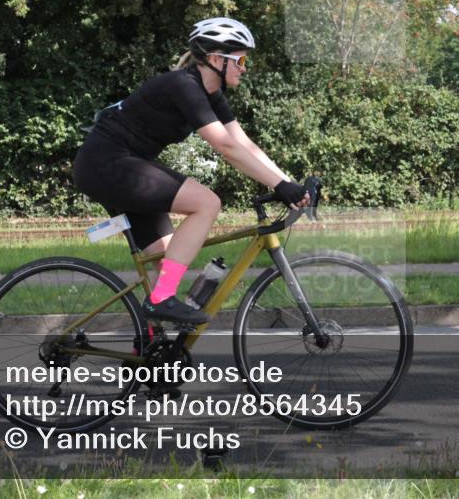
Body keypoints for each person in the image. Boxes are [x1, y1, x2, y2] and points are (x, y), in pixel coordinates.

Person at [72, 17, 310, 325]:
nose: (244, 67)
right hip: (106, 163)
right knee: (207, 202)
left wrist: (288, 183)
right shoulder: (182, 86)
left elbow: (245, 145)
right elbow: (226, 147)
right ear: (215, 59)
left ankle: (147, 350)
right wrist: (279, 185)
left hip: (125, 166)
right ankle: (160, 301)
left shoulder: (211, 94)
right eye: (239, 59)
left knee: (168, 259)